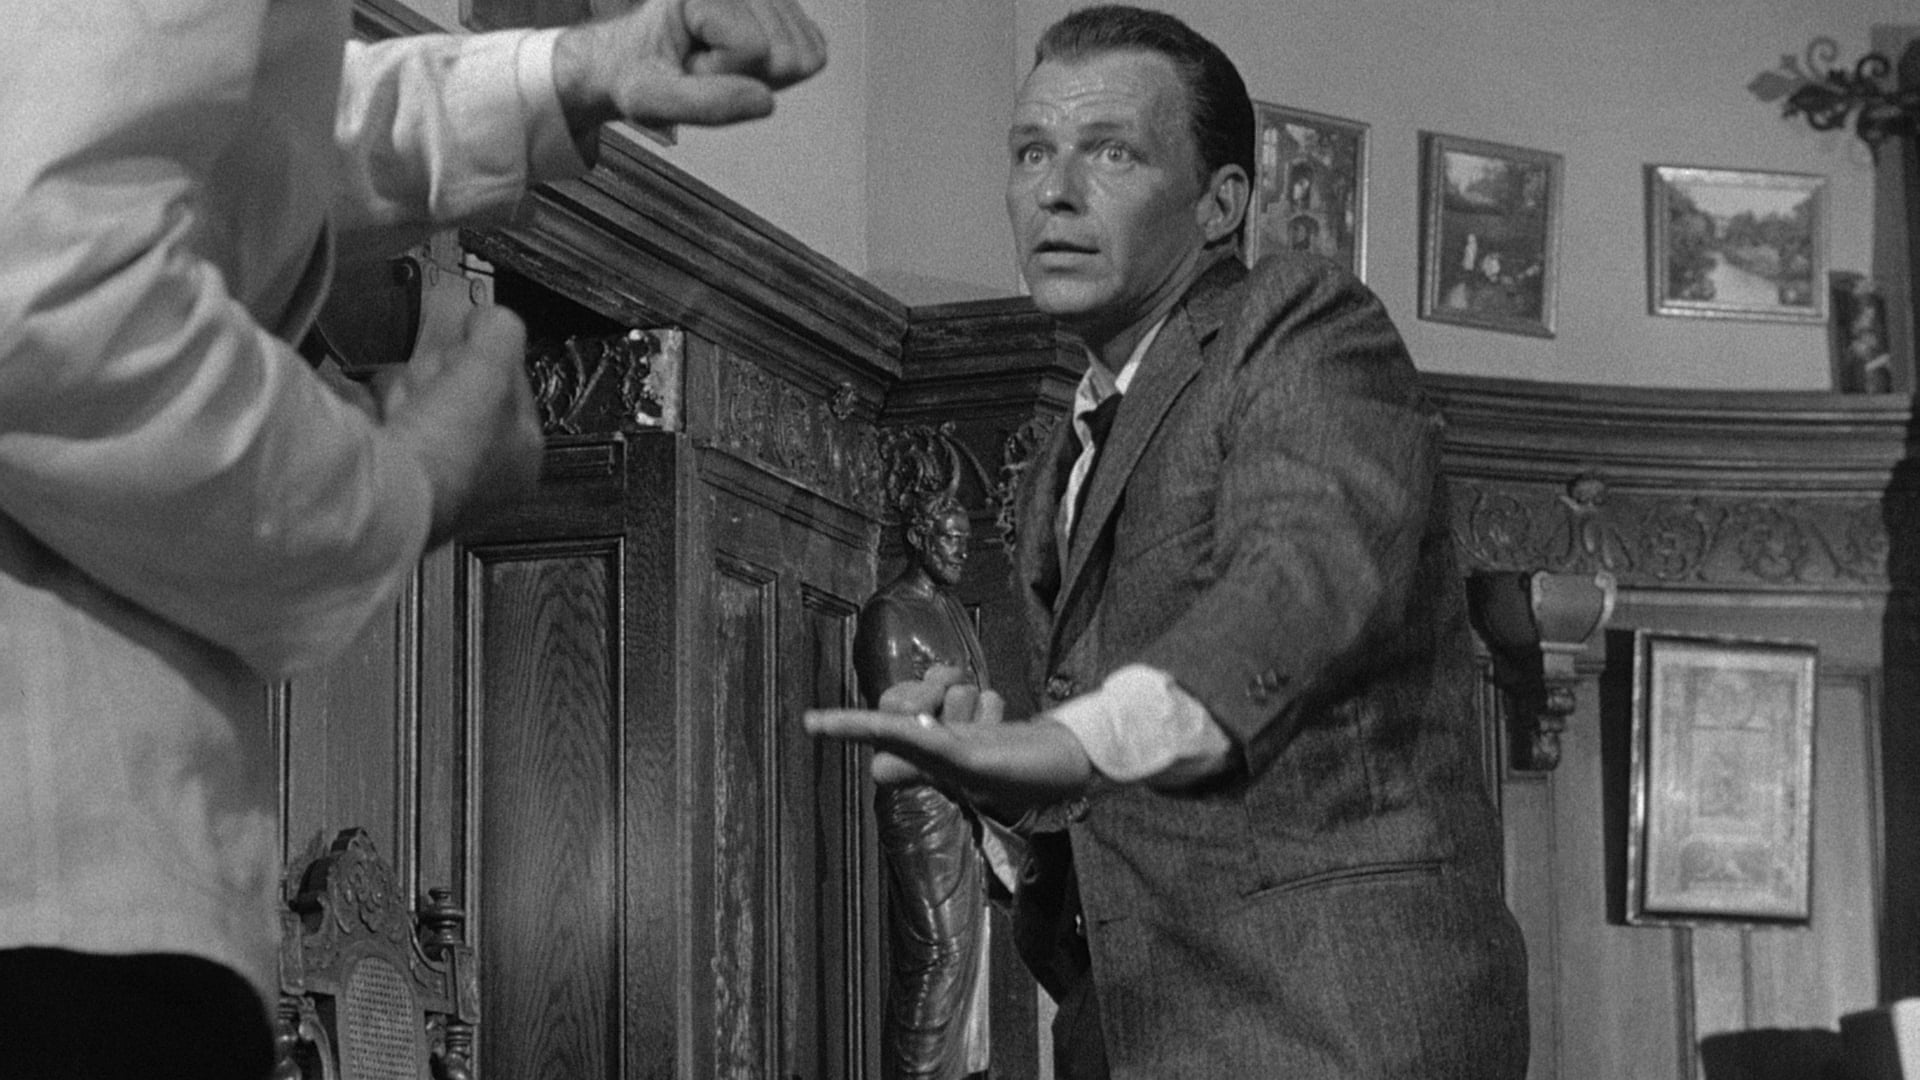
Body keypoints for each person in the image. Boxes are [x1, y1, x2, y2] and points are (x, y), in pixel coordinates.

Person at [0, 1, 823, 1076]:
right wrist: (412, 481)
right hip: (63, 902)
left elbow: (176, 122)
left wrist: (554, 76)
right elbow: (44, 293)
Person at [806, 6, 1528, 1077]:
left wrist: (1069, 744)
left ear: (1221, 203)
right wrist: (1007, 796)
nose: (1055, 191)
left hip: (1334, 1028)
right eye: (1031, 152)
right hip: (1138, 1033)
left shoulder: (1303, 324)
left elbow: (1302, 575)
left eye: (1112, 153)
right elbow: (1129, 818)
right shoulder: (1065, 457)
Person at [854, 492, 996, 1080]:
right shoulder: (889, 613)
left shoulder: (952, 609)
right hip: (920, 806)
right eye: (950, 539)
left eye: (966, 540)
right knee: (940, 954)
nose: (961, 551)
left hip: (962, 804)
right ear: (918, 538)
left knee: (967, 960)